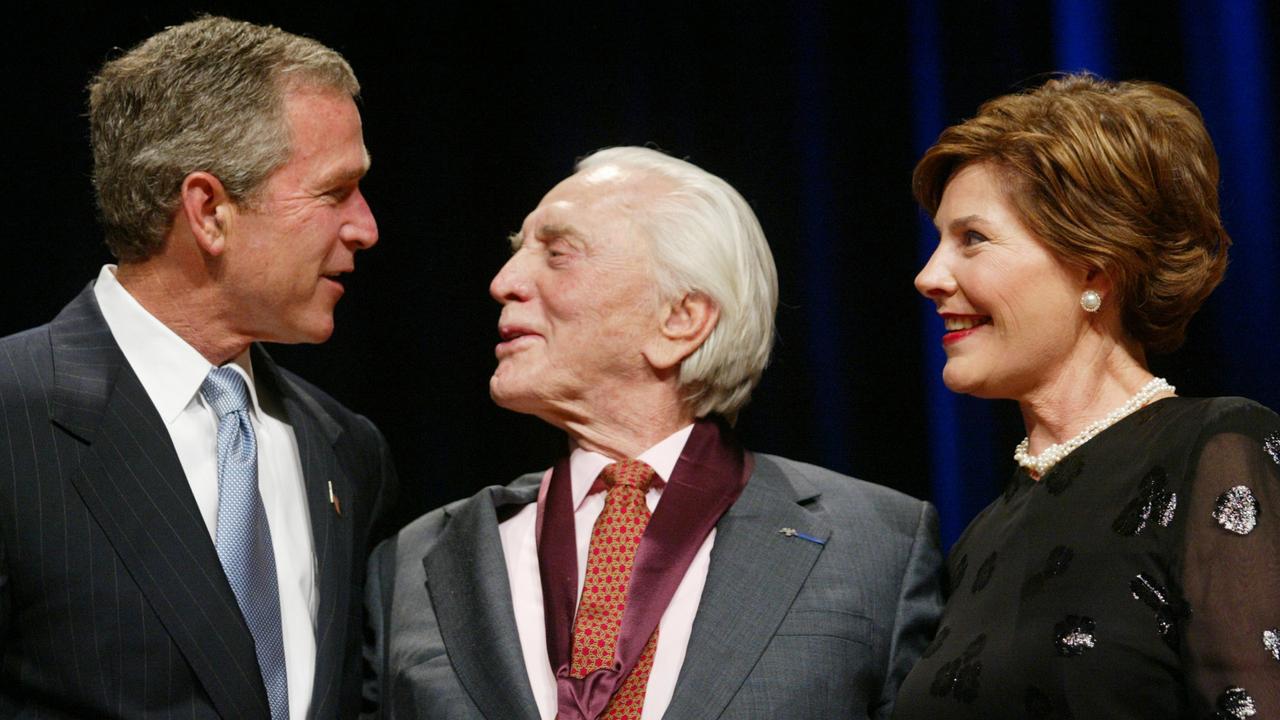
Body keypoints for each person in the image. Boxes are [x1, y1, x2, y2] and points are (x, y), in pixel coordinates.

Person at [362, 146, 943, 719]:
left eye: (558, 253)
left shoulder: (876, 544)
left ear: (681, 319)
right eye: (517, 252)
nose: (504, 281)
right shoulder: (413, 561)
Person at [0, 16, 397, 720]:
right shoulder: (13, 413)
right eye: (335, 192)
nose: (365, 227)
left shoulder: (344, 448)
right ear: (209, 210)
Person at [894, 74, 1280, 719]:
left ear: (1095, 267)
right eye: (939, 242)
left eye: (973, 239)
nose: (929, 276)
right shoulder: (981, 536)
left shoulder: (1215, 449)